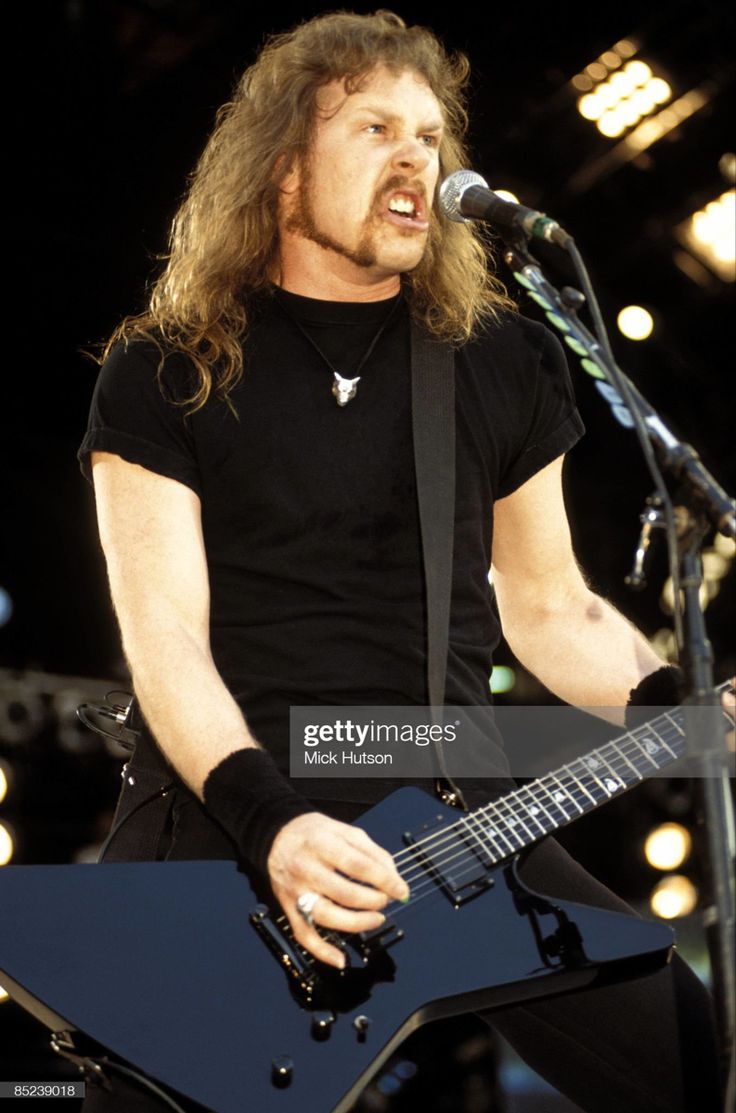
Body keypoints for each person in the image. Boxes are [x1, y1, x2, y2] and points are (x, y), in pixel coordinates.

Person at [78, 11, 725, 1112]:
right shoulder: (165, 367)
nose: (416, 158)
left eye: (430, 136)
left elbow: (551, 608)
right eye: (376, 126)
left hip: (453, 804)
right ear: (284, 169)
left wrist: (679, 706)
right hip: (224, 810)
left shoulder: (502, 362)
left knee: (688, 1059)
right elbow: (164, 639)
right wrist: (273, 822)